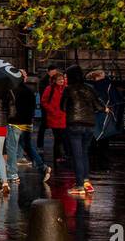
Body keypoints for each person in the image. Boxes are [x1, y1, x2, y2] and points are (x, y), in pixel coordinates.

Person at [61, 65, 100, 196]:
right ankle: (86, 182)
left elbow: (62, 106)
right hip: (89, 124)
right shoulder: (90, 88)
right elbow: (97, 106)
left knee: (77, 155)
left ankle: (79, 185)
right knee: (84, 153)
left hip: (74, 124)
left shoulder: (68, 89)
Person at [5, 69, 48, 185]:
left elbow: (8, 107)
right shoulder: (30, 91)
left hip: (15, 123)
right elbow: (33, 107)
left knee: (12, 149)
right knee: (28, 146)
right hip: (27, 123)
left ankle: (12, 174)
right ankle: (42, 167)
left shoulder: (12, 91)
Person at [40, 71, 69, 168]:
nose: (61, 81)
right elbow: (44, 101)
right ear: (55, 81)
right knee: (58, 138)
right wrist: (52, 110)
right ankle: (57, 156)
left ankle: (62, 155)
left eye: (62, 79)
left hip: (64, 116)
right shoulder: (50, 89)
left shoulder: (66, 88)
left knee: (63, 137)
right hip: (54, 117)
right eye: (59, 79)